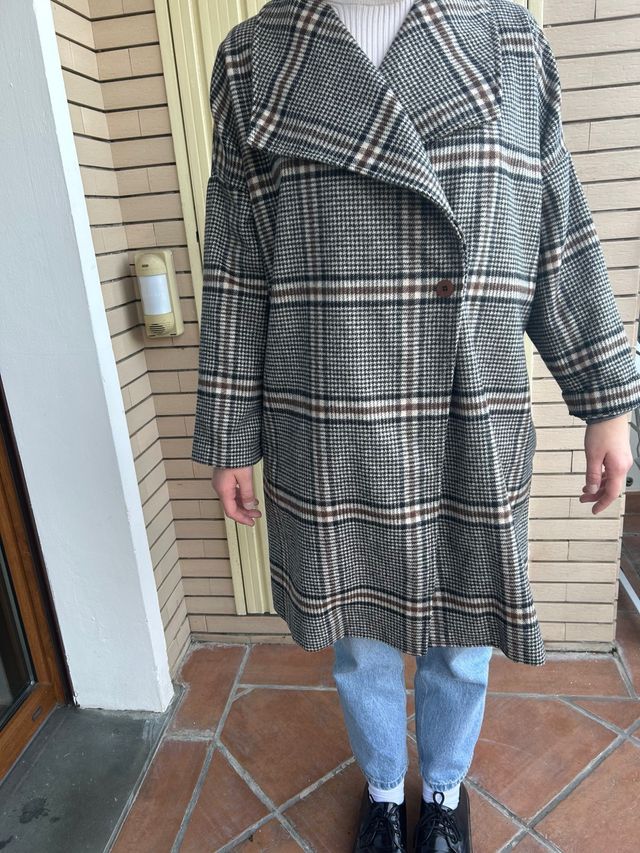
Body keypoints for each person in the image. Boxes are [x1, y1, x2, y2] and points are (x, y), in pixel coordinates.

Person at [192, 1, 640, 850]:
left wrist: (606, 399)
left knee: (462, 630)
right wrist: (228, 430)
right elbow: (238, 263)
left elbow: (557, 231)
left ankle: (441, 791)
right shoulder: (257, 58)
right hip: (329, 410)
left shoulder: (509, 41)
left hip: (469, 405)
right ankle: (383, 790)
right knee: (358, 638)